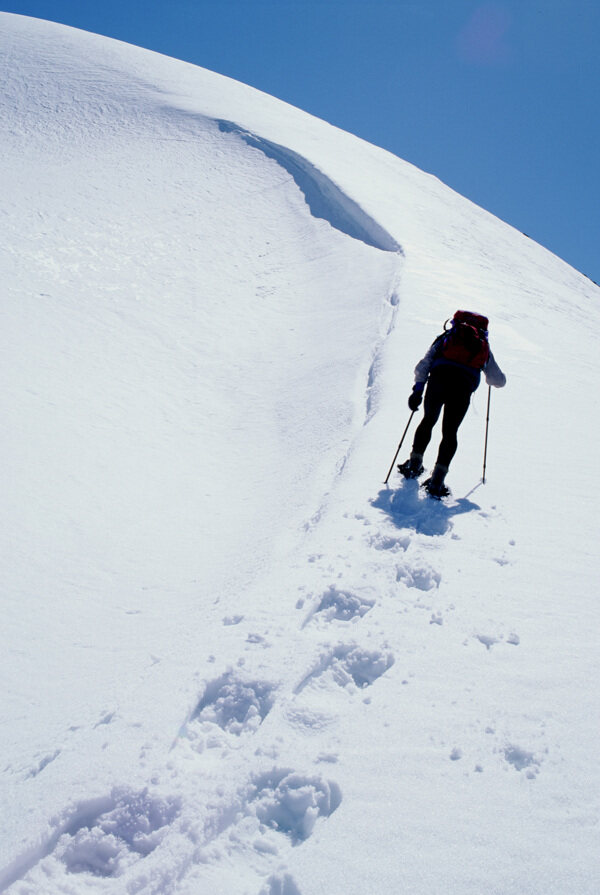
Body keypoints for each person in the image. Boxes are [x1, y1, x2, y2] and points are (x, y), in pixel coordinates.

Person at [398, 310, 506, 498]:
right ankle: (437, 481)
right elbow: (499, 380)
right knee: (450, 432)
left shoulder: (446, 337)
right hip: (462, 390)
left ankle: (414, 464)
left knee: (428, 420)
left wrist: (417, 391)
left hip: (438, 382)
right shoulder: (483, 347)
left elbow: (424, 364)